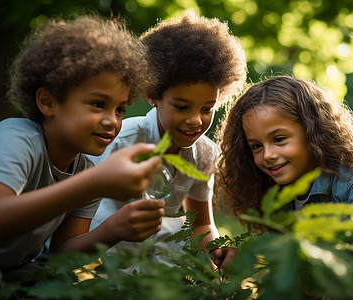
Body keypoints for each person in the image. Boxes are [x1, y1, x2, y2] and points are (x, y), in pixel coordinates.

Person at [0, 15, 165, 281]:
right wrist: (92, 184)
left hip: (12, 273)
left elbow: (60, 256)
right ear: (48, 102)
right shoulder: (16, 137)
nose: (112, 121)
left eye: (120, 109)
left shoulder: (85, 171)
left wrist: (112, 230)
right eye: (97, 104)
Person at [89, 9, 246, 271]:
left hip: (167, 271)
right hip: (112, 269)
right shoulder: (119, 141)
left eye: (207, 108)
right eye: (182, 107)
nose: (196, 120)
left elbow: (201, 225)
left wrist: (216, 249)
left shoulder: (205, 154)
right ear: (153, 95)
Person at [216, 75, 353, 262]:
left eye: (279, 139)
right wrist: (244, 260)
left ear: (312, 132)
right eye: (256, 146)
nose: (267, 154)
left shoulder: (352, 185)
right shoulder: (274, 199)